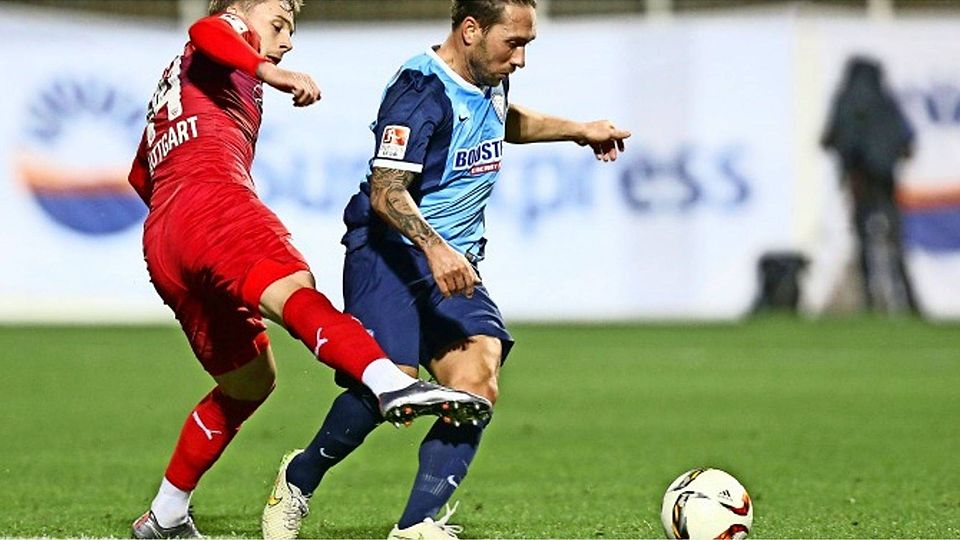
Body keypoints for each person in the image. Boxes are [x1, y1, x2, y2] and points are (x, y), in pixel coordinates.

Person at [261, 1, 631, 538]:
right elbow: (388, 192)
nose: (521, 59)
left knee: (476, 382)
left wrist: (579, 129)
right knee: (392, 385)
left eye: (527, 44)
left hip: (454, 261)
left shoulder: (487, 76)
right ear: (471, 30)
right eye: (514, 43)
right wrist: (435, 249)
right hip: (389, 252)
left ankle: (417, 526)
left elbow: (502, 121)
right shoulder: (418, 91)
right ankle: (299, 476)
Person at [126, 1, 491, 537]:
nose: (287, 41)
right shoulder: (226, 41)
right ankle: (389, 382)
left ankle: (166, 513)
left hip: (165, 236)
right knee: (296, 289)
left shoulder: (179, 86)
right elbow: (208, 29)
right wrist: (269, 71)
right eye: (279, 24)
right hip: (212, 201)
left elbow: (140, 175)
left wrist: (181, 230)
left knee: (250, 382)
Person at [821, 56, 917, 314]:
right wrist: (885, 159)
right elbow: (907, 142)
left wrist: (853, 165)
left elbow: (830, 137)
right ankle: (907, 300)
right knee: (894, 242)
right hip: (885, 183)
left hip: (859, 184)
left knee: (864, 242)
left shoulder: (845, 101)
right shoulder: (886, 102)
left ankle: (870, 300)